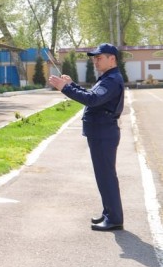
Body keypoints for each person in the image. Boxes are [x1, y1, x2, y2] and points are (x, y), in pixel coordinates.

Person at [48, 43, 125, 232]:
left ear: (112, 59)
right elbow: (92, 96)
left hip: (103, 133)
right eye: (94, 58)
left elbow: (92, 100)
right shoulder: (107, 78)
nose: (95, 61)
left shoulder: (112, 80)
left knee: (106, 177)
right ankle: (109, 213)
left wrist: (65, 88)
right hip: (100, 132)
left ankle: (114, 218)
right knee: (103, 176)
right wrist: (71, 84)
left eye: (99, 58)